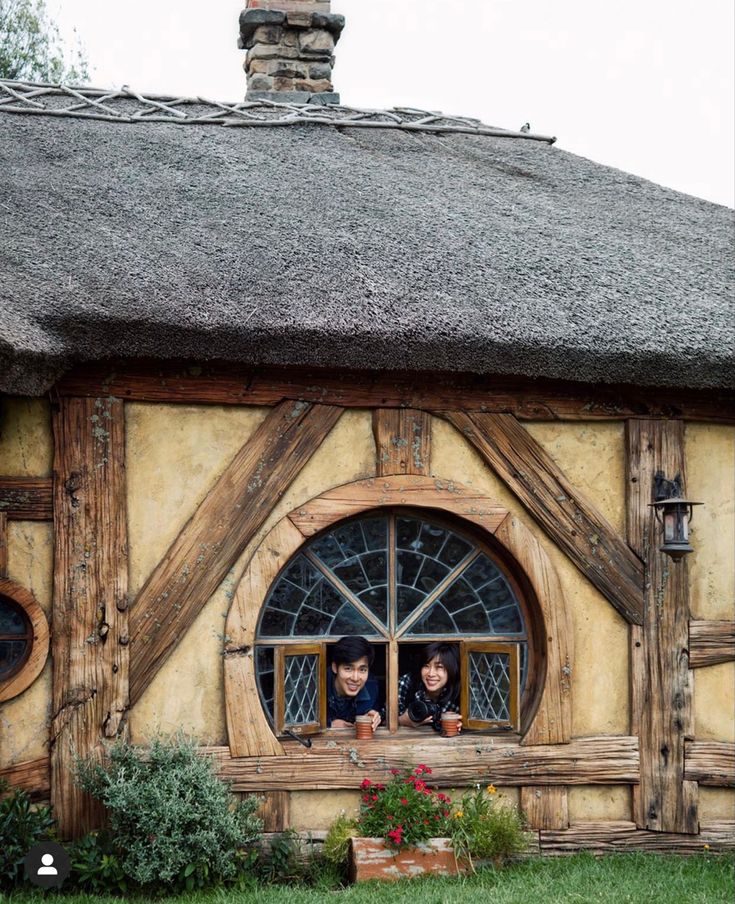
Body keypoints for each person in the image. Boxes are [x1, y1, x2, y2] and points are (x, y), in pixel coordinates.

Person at [398, 642, 462, 733]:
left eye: (439, 667)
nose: (431, 674)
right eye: (426, 666)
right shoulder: (408, 682)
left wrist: (462, 726)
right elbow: (383, 720)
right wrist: (401, 721)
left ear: (452, 669)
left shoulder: (463, 691)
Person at [327, 635, 382, 730]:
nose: (355, 678)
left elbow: (374, 714)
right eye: (348, 669)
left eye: (362, 670)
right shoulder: (316, 684)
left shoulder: (372, 687)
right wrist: (328, 725)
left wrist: (374, 717)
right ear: (335, 667)